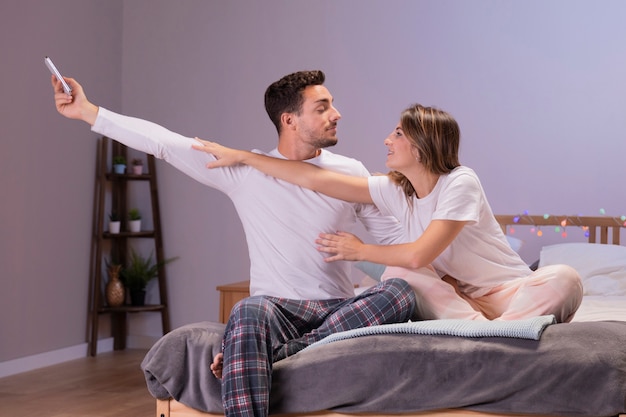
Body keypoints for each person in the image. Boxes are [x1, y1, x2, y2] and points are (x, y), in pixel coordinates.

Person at [51, 70, 417, 417]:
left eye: (331, 104)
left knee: (400, 292)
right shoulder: (243, 170)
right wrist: (88, 112)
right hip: (277, 310)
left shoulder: (350, 172)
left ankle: (285, 353)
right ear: (289, 120)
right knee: (247, 311)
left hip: (337, 310)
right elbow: (163, 142)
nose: (336, 114)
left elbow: (398, 241)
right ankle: (281, 348)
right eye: (321, 108)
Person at [194, 103, 584, 323]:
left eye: (398, 133)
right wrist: (246, 157)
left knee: (565, 278)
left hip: (509, 296)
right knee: (399, 277)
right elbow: (313, 179)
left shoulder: (460, 182)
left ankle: (496, 334)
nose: (387, 139)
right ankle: (488, 335)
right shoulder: (398, 189)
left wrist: (358, 250)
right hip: (461, 305)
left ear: (422, 144)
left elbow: (419, 253)